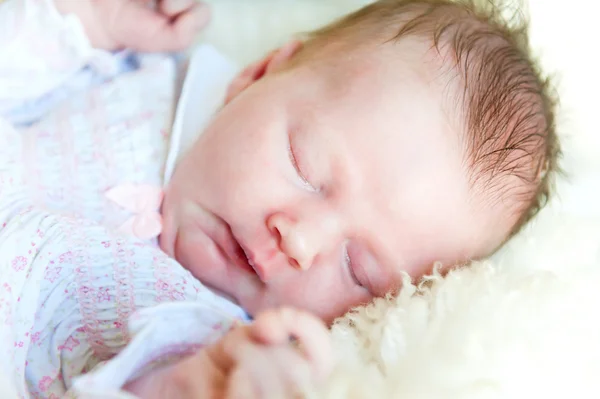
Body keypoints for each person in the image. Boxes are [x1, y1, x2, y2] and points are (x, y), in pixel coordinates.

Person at [0, 0, 559, 397]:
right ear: (258, 74)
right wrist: (90, 20)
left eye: (357, 270)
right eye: (305, 167)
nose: (299, 239)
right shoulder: (134, 69)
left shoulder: (209, 339)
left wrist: (189, 387)